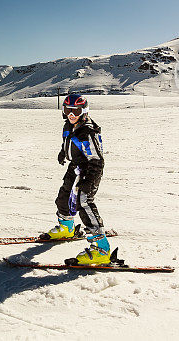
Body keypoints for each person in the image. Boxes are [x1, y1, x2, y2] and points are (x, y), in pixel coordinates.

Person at [43, 94, 110, 264]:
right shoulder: (69, 125)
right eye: (67, 110)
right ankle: (67, 228)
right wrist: (63, 152)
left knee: (84, 202)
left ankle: (101, 249)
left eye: (75, 111)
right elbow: (67, 141)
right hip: (75, 167)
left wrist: (88, 179)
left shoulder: (87, 132)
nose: (71, 114)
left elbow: (97, 159)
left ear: (84, 111)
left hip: (90, 170)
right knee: (63, 197)